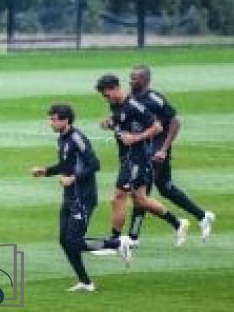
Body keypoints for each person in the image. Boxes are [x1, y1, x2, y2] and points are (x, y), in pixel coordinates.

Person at [32, 104, 132, 292]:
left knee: (74, 241)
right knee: (65, 241)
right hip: (70, 196)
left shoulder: (77, 138)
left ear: (65, 120)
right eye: (50, 119)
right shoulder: (62, 138)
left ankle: (118, 243)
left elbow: (94, 164)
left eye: (54, 119)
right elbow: (65, 165)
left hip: (83, 196)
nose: (50, 123)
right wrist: (45, 171)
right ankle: (86, 282)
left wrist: (73, 179)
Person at [94, 74, 190, 247]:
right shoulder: (115, 104)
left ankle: (115, 242)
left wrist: (135, 138)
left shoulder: (134, 106)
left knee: (118, 197)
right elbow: (124, 122)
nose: (106, 99)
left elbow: (157, 127)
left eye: (106, 95)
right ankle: (178, 224)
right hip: (127, 157)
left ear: (115, 88)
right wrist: (110, 123)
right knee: (140, 200)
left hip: (136, 158)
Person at [125, 65, 215, 246]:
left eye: (135, 78)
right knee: (165, 188)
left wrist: (164, 149)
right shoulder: (131, 98)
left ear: (145, 80)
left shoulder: (154, 99)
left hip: (156, 150)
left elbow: (175, 122)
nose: (131, 81)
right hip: (144, 148)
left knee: (141, 193)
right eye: (131, 77)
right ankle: (202, 216)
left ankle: (133, 238)